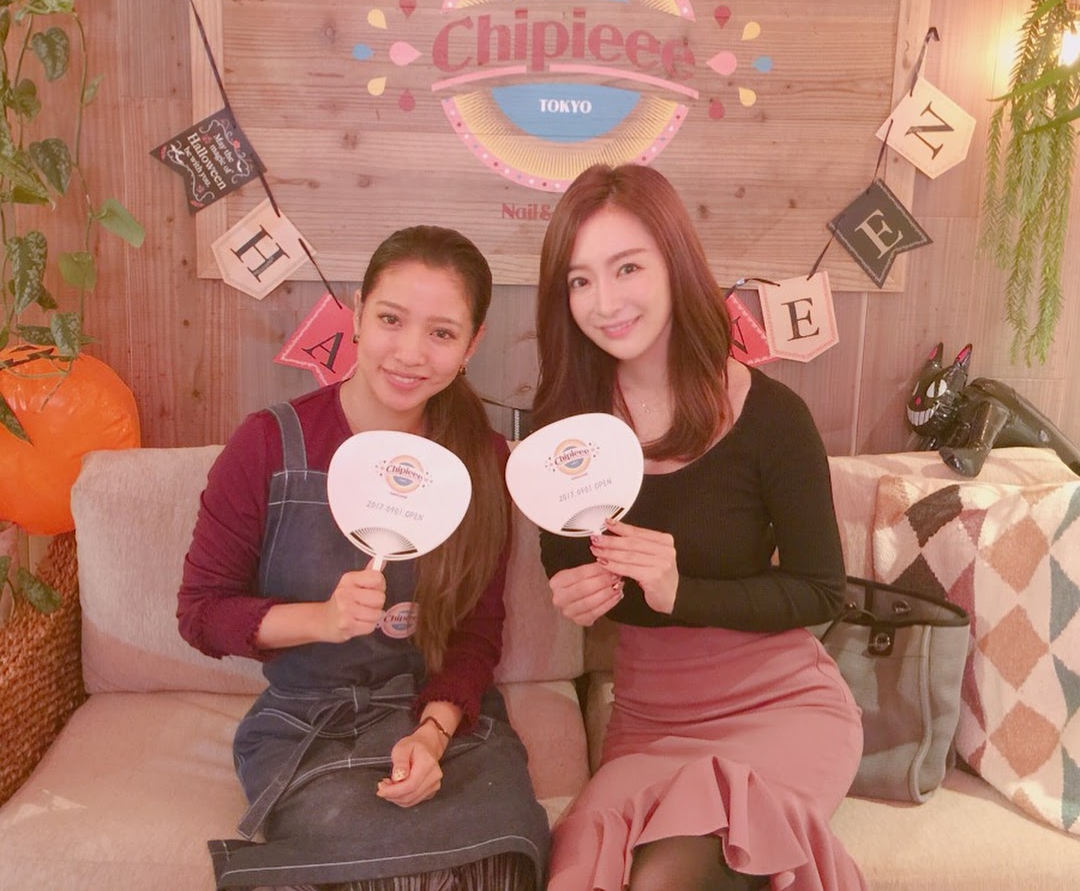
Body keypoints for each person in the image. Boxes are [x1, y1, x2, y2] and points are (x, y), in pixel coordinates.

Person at [177, 225, 549, 891]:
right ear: (356, 314)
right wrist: (318, 620)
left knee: (499, 868)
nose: (409, 354)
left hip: (436, 717)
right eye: (390, 320)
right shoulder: (268, 444)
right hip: (306, 723)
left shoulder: (483, 461)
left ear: (472, 344)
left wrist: (433, 736)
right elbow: (201, 615)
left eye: (441, 333)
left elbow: (475, 635)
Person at [532, 164, 866, 891]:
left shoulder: (772, 418)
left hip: (780, 707)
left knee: (671, 874)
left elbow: (820, 592)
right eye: (581, 280)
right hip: (650, 719)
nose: (605, 302)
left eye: (627, 268)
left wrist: (681, 590)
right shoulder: (563, 429)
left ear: (675, 265)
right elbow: (566, 563)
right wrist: (575, 592)